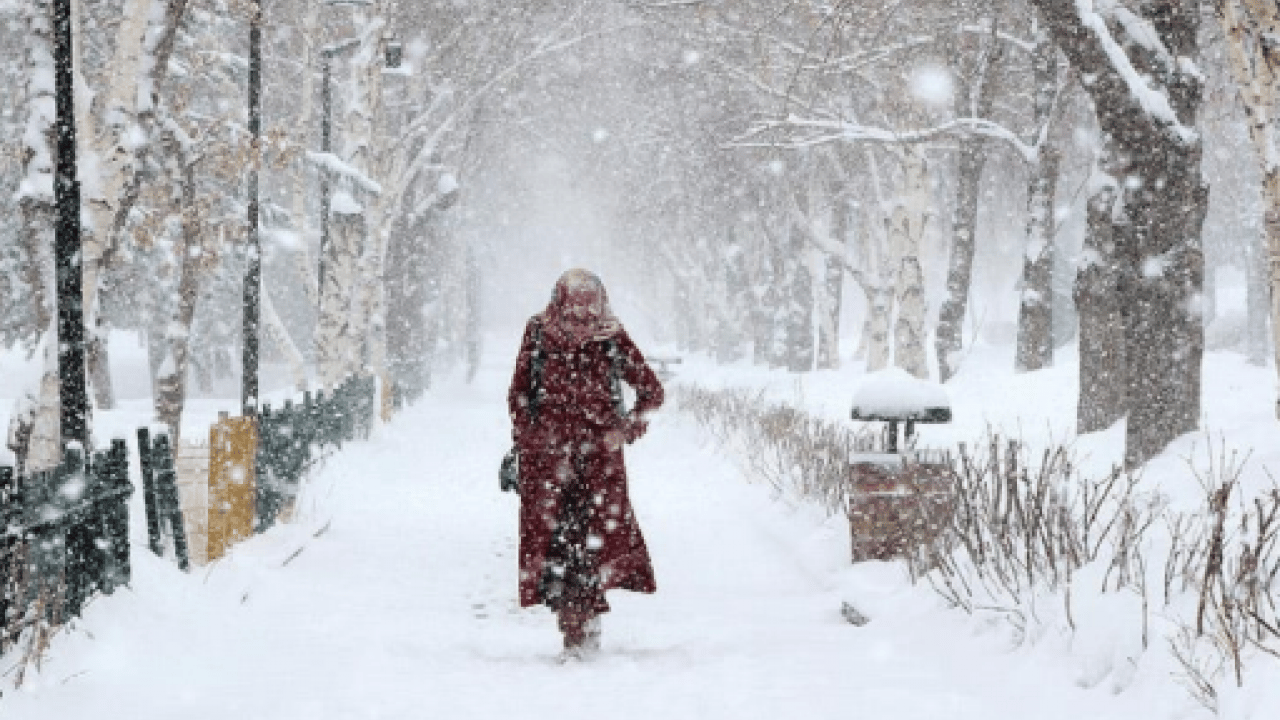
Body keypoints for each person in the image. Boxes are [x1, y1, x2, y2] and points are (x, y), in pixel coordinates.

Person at [507, 269, 665, 659]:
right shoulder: (539, 332)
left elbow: (651, 391)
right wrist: (531, 439)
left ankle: (583, 629)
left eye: (588, 302)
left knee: (586, 546)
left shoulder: (610, 336)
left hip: (596, 467)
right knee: (558, 547)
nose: (582, 312)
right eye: (575, 302)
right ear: (560, 300)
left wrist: (626, 430)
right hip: (550, 465)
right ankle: (575, 628)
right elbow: (519, 394)